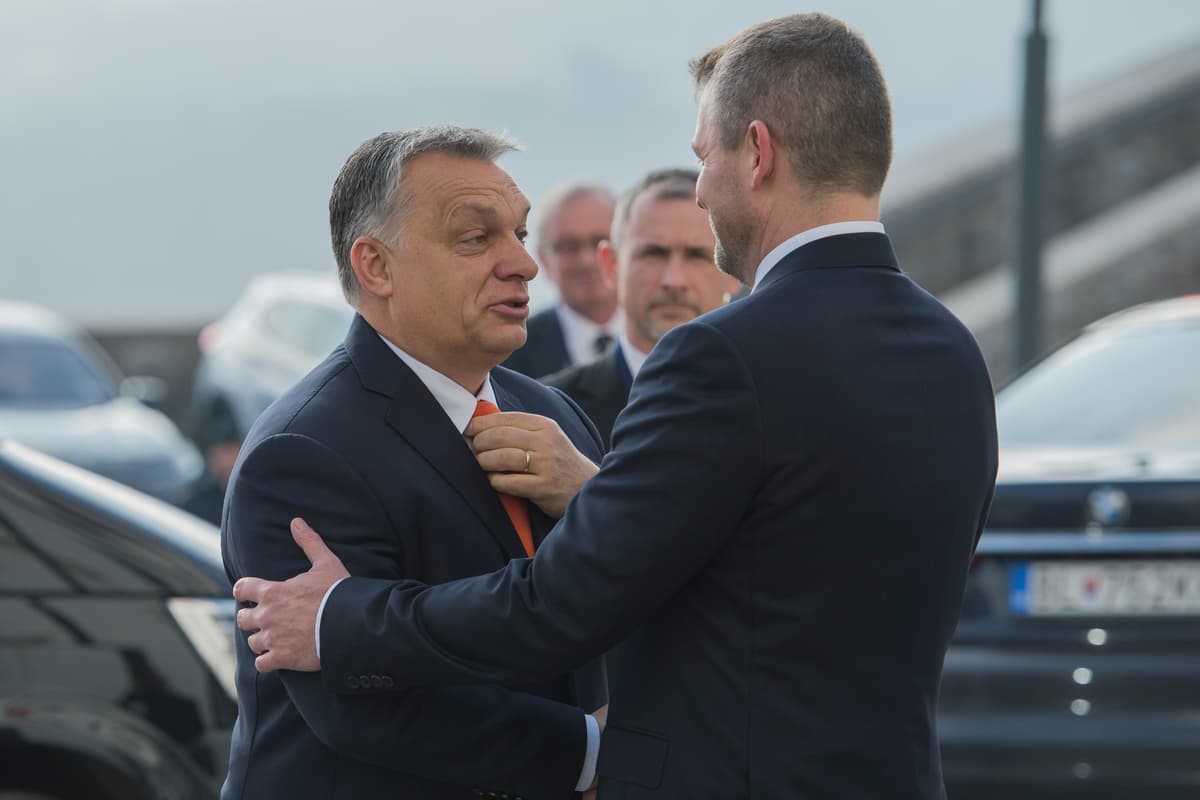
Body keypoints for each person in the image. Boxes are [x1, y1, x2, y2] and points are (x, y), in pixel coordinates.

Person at [234, 13, 999, 799]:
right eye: (477, 238)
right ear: (375, 264)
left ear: (759, 153)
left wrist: (338, 621)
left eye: (704, 157)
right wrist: (599, 496)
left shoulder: (722, 357)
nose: (700, 188)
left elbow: (561, 602)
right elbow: (773, 563)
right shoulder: (954, 353)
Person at [220, 126, 609, 800]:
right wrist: (593, 752)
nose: (523, 263)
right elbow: (366, 708)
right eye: (477, 237)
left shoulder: (556, 416)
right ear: (375, 266)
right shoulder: (301, 452)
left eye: (518, 233)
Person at [543, 168, 740, 448]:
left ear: (733, 272)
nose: (673, 281)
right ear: (611, 264)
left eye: (696, 255)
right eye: (653, 254)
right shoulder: (550, 412)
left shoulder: (776, 402)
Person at [500, 184, 619, 378]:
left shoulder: (669, 335)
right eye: (569, 246)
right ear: (544, 259)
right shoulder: (509, 353)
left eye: (600, 241)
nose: (587, 260)